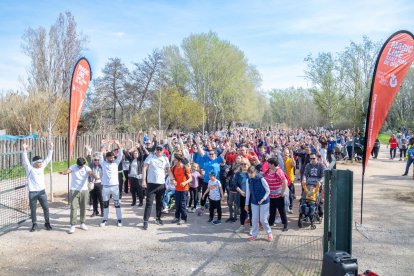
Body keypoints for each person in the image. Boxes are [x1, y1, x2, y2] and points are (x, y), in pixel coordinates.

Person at [59, 157, 97, 234]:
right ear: (77, 164)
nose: (80, 167)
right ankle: (73, 225)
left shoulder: (86, 167)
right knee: (73, 207)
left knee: (83, 207)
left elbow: (90, 172)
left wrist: (95, 176)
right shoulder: (73, 166)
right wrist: (64, 172)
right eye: (79, 165)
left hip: (84, 190)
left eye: (82, 165)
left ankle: (82, 223)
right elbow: (68, 171)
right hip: (74, 190)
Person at [22, 142, 53, 232]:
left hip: (42, 192)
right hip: (32, 192)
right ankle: (34, 224)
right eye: (38, 162)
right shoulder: (30, 169)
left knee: (46, 208)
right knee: (33, 209)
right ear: (34, 163)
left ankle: (47, 223)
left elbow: (48, 159)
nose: (40, 164)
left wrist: (51, 148)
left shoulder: (42, 167)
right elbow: (25, 160)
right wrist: (24, 150)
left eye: (40, 162)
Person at [142, 144, 170, 230]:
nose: (158, 151)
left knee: (159, 203)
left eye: (160, 149)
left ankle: (158, 218)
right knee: (149, 203)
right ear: (155, 150)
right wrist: (143, 180)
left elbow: (168, 169)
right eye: (157, 149)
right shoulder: (151, 156)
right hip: (151, 184)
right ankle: (145, 221)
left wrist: (167, 177)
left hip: (161, 185)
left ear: (163, 150)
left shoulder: (165, 158)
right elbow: (144, 168)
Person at [98, 140, 124, 227]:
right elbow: (100, 154)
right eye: (110, 157)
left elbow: (120, 155)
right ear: (107, 158)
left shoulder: (116, 163)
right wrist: (102, 144)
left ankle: (119, 219)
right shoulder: (103, 163)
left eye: (113, 157)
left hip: (115, 187)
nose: (112, 158)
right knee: (105, 204)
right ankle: (105, 219)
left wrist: (118, 144)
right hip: (105, 187)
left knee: (117, 204)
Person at [245, 166, 272, 241]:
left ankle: (269, 233)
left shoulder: (261, 179)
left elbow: (268, 191)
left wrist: (263, 199)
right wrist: (246, 204)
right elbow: (248, 193)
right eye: (249, 174)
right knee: (254, 219)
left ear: (255, 172)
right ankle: (254, 235)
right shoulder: (248, 180)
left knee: (263, 219)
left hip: (264, 201)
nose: (250, 175)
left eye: (251, 173)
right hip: (254, 201)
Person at [264, 157, 288, 232]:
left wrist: (283, 192)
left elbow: (285, 182)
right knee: (272, 210)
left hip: (278, 195)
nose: (267, 165)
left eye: (269, 164)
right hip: (270, 195)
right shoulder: (269, 170)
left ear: (273, 164)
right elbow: (263, 175)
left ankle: (285, 224)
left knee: (281, 210)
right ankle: (271, 222)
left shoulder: (278, 171)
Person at [170, 153, 192, 225]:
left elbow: (190, 178)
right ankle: (177, 217)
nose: (174, 161)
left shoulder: (185, 168)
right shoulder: (173, 168)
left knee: (182, 204)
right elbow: (171, 175)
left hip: (184, 189)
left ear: (179, 160)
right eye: (174, 160)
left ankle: (183, 218)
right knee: (177, 204)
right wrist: (173, 180)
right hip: (177, 189)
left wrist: (185, 182)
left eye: (175, 160)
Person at [86, 149, 104, 217]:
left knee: (101, 198)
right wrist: (89, 152)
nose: (97, 161)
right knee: (94, 199)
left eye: (98, 160)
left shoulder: (102, 165)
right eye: (95, 160)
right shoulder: (91, 165)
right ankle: (95, 211)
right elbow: (88, 159)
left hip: (99, 183)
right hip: (92, 184)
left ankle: (103, 212)